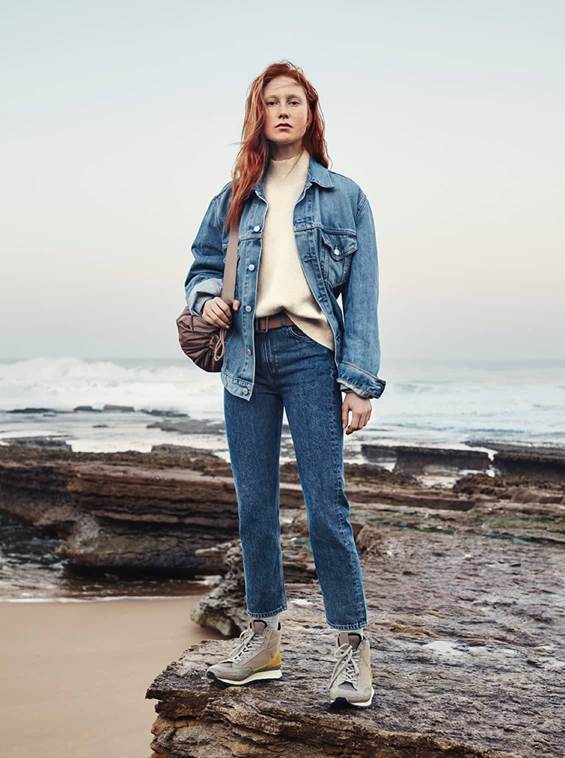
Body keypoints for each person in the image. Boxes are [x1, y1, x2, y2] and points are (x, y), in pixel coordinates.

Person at [183, 60, 386, 708]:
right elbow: (201, 265)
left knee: (327, 507)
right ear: (258, 114)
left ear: (310, 112)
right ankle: (264, 638)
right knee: (254, 509)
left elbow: (364, 298)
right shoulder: (235, 194)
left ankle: (352, 648)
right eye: (270, 101)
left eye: (293, 100)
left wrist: (358, 383)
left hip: (310, 358)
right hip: (246, 357)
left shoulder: (344, 196)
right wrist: (208, 296)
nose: (282, 110)